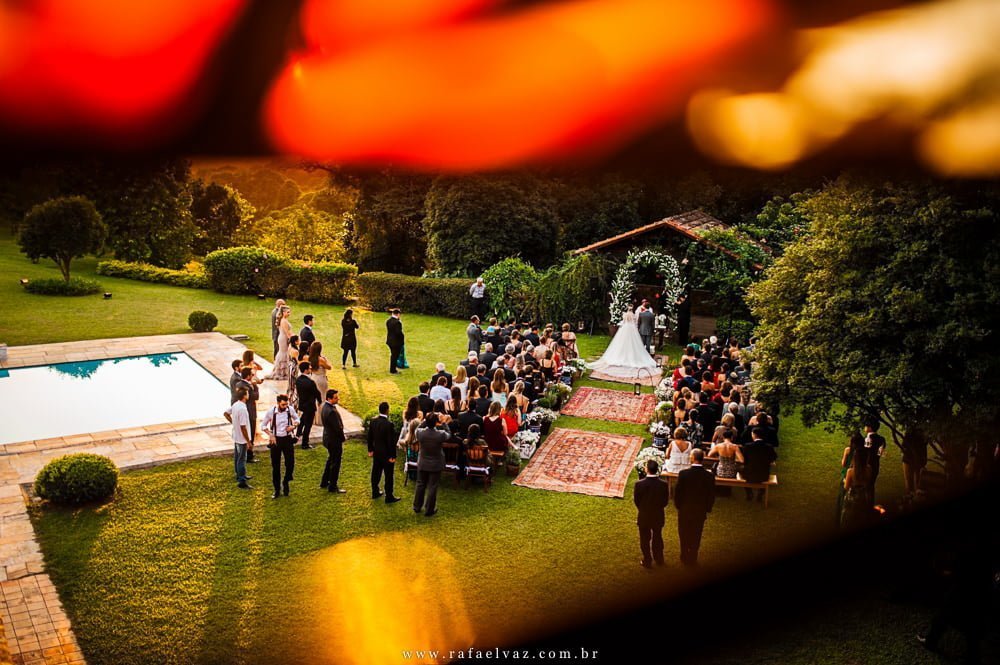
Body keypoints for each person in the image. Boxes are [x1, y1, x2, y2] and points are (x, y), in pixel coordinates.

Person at [587, 308, 659, 380]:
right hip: (632, 329)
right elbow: (635, 322)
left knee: (621, 343)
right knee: (633, 343)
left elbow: (624, 322)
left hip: (625, 329)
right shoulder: (633, 315)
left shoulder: (625, 314)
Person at [674, 449, 715, 566]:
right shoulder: (709, 476)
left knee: (683, 532)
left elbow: (678, 493)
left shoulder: (683, 474)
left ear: (692, 458)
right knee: (697, 533)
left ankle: (684, 554)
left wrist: (679, 506)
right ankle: (693, 556)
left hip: (685, 509)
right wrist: (707, 508)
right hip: (700, 510)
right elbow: (711, 494)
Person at [260, 394, 300, 498]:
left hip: (287, 439)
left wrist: (293, 426)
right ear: (278, 403)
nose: (285, 406)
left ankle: (286, 480)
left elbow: (297, 419)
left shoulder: (289, 409)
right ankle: (277, 490)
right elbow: (263, 426)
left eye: (286, 404)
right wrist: (271, 435)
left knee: (290, 463)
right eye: (283, 404)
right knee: (275, 466)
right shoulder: (271, 412)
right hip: (276, 440)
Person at [634, 458, 669, 568]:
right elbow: (665, 501)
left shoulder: (639, 484)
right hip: (658, 515)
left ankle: (647, 560)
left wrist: (643, 509)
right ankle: (659, 559)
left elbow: (637, 500)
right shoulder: (663, 484)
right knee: (657, 537)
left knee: (644, 539)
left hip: (644, 515)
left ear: (646, 469)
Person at [413, 413, 449, 516]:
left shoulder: (420, 433)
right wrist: (444, 422)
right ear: (435, 423)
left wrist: (425, 421)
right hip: (435, 464)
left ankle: (417, 506)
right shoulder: (440, 434)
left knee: (420, 484)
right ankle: (429, 509)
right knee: (432, 487)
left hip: (423, 462)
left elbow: (417, 429)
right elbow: (449, 434)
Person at [368, 401, 401, 503]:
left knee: (376, 473)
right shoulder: (389, 424)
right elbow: (391, 442)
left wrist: (370, 449)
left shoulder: (373, 421)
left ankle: (375, 492)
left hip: (377, 452)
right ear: (387, 410)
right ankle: (389, 496)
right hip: (386, 454)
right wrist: (393, 455)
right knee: (388, 475)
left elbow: (369, 437)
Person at [224, 387, 253, 489]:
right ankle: (242, 481)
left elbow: (226, 413)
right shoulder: (243, 409)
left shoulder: (235, 405)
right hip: (241, 439)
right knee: (242, 459)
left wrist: (233, 422)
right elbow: (243, 427)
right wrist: (248, 441)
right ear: (245, 396)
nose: (248, 395)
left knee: (237, 457)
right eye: (247, 393)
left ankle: (240, 475)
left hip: (236, 436)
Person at [319, 389, 347, 494]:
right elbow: (337, 428)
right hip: (333, 440)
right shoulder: (330, 411)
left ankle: (324, 481)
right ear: (329, 398)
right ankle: (332, 486)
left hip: (328, 438)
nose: (338, 399)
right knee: (335, 463)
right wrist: (343, 438)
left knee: (331, 460)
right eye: (335, 397)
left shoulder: (325, 407)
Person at [840, 445, 873, 529]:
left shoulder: (850, 471)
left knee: (848, 517)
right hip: (863, 495)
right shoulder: (869, 469)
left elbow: (846, 487)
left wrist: (844, 480)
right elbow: (868, 482)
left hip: (852, 496)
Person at [741, 428, 777, 502]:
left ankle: (749, 493)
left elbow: (744, 460)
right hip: (763, 474)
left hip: (749, 473)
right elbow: (774, 457)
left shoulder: (748, 446)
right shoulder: (769, 447)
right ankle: (760, 494)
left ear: (754, 435)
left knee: (741, 472)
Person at [234, 366, 260, 464]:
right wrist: (256, 386)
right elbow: (256, 396)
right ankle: (249, 456)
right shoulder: (248, 387)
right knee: (250, 434)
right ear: (248, 376)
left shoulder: (238, 383)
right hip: (250, 412)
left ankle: (247, 454)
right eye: (252, 375)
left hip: (246, 411)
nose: (253, 376)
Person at [294, 361, 321, 449]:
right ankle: (305, 443)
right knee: (308, 425)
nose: (310, 369)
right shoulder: (310, 382)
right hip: (310, 406)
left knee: (302, 420)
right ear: (305, 370)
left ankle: (297, 435)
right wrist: (320, 401)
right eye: (309, 368)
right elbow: (317, 393)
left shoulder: (298, 380)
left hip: (302, 404)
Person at [308, 342, 333, 426]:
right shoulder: (321, 359)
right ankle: (321, 419)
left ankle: (314, 418)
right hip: (321, 379)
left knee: (314, 398)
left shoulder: (309, 358)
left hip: (313, 378)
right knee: (322, 397)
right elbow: (329, 367)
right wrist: (326, 360)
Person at [901, 427, 928, 500]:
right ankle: (915, 496)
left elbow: (904, 446)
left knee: (908, 479)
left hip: (909, 458)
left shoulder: (909, 433)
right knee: (918, 479)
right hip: (919, 458)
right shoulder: (923, 432)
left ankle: (910, 496)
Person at [863, 421, 887, 503]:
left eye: (866, 425)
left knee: (865, 487)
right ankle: (870, 505)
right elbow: (881, 453)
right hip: (876, 465)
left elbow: (865, 453)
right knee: (871, 486)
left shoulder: (867, 439)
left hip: (867, 465)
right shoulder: (882, 439)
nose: (864, 427)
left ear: (870, 428)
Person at [269, 306, 292, 380]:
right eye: (287, 312)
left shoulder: (283, 320)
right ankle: (282, 372)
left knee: (283, 352)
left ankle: (282, 371)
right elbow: (287, 332)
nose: (289, 313)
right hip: (283, 338)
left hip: (282, 337)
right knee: (283, 353)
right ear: (283, 312)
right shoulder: (283, 321)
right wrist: (292, 340)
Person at [386, 308, 404, 374]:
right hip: (396, 342)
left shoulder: (388, 321)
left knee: (393, 355)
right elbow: (398, 333)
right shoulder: (397, 323)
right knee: (395, 356)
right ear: (398, 314)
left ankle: (393, 368)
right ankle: (393, 370)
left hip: (390, 341)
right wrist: (402, 338)